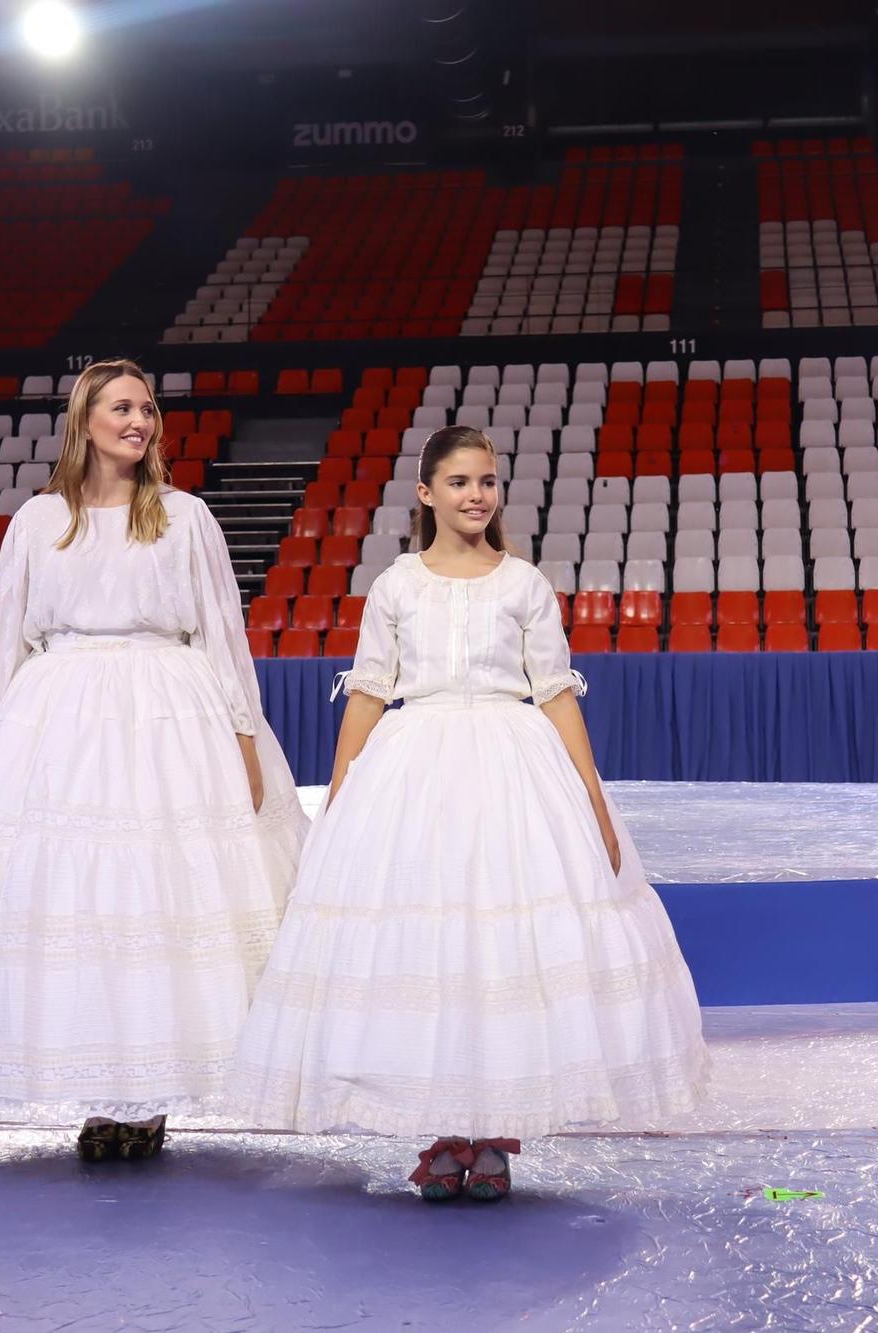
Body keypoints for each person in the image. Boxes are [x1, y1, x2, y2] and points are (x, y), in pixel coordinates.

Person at [232, 425, 707, 1200]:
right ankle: (442, 1130)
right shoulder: (396, 586)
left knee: (499, 944)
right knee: (429, 944)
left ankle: (489, 1137)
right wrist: (343, 791)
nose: (475, 495)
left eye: (485, 480)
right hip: (412, 769)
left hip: (511, 769)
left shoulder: (522, 584)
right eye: (458, 482)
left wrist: (591, 795)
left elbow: (554, 690)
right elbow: (369, 689)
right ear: (426, 494)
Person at [0, 359, 307, 1161]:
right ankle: (105, 1092)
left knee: (158, 904)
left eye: (147, 408)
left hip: (170, 715)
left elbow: (221, 633)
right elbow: (5, 640)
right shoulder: (38, 521)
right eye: (122, 407)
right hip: (57, 717)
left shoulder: (186, 516)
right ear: (86, 419)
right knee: (82, 910)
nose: (140, 421)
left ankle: (149, 1097)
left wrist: (245, 738)